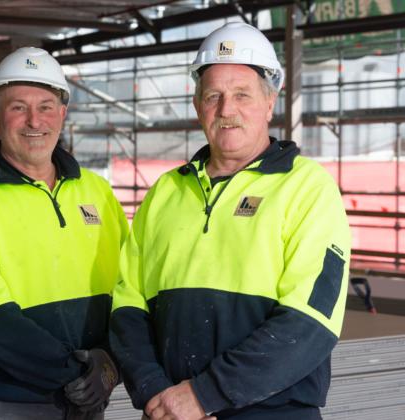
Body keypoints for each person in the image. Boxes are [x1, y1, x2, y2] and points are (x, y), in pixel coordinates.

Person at [109, 22, 351, 420]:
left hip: (273, 413)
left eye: (242, 95)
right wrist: (157, 393)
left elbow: (311, 320)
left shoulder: (307, 188)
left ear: (270, 102)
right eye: (214, 96)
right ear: (197, 105)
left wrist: (204, 395)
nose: (227, 110)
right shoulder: (166, 192)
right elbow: (128, 304)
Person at [0, 47, 128, 420]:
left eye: (45, 106)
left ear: (62, 114)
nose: (34, 120)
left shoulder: (97, 191)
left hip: (89, 395)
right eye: (17, 107)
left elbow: (129, 285)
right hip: (6, 400)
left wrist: (111, 362)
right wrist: (77, 374)